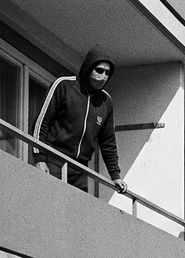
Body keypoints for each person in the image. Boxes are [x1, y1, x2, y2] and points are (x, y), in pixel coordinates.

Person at [31, 46, 127, 195]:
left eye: (107, 73)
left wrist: (115, 176)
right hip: (54, 159)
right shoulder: (64, 85)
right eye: (99, 70)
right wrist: (39, 158)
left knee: (76, 208)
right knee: (50, 201)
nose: (103, 76)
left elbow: (108, 142)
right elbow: (41, 122)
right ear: (88, 68)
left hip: (80, 169)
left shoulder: (106, 102)